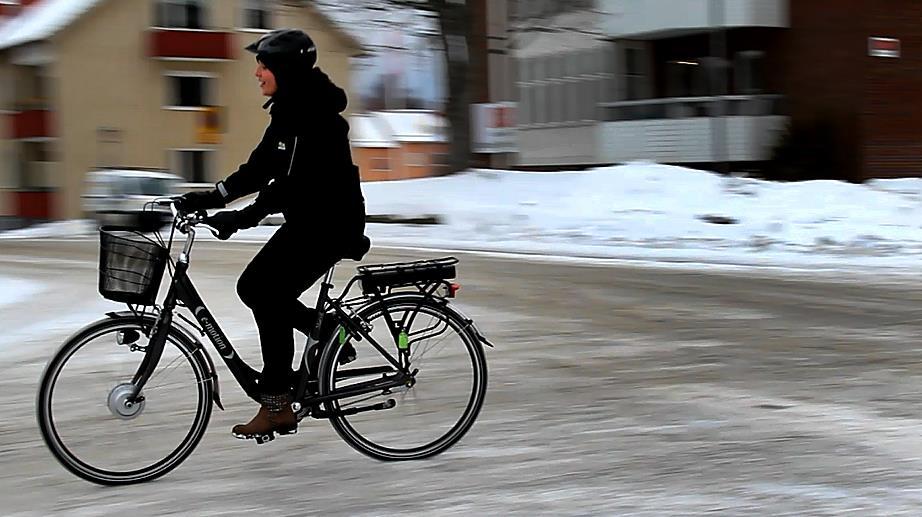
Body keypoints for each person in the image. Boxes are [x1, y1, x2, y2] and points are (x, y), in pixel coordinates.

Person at [176, 29, 366, 440]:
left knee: (265, 292)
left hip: (330, 225)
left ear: (285, 69)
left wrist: (240, 218)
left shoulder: (315, 118)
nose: (256, 72)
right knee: (255, 288)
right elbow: (260, 168)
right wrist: (210, 198)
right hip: (310, 222)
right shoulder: (289, 111)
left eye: (264, 65)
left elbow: (291, 186)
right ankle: (327, 329)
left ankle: (277, 402)